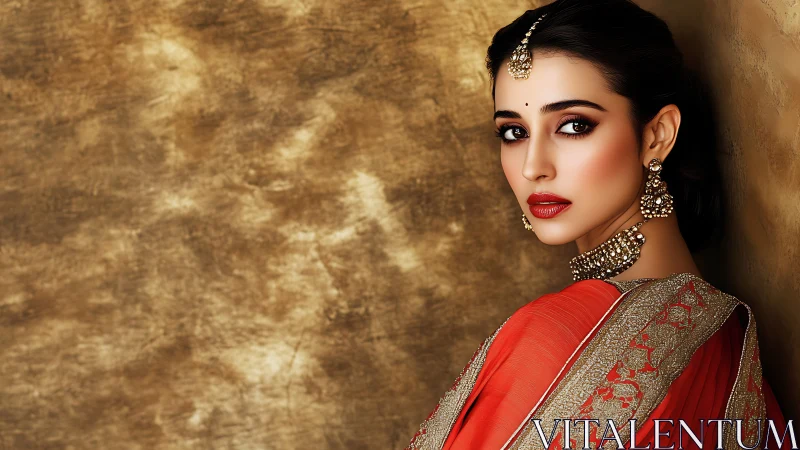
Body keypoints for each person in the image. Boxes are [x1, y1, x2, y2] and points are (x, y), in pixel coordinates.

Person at [405, 1, 791, 449]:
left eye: (573, 125)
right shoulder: (722, 333)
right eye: (513, 132)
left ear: (656, 135)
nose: (533, 167)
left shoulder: (555, 335)